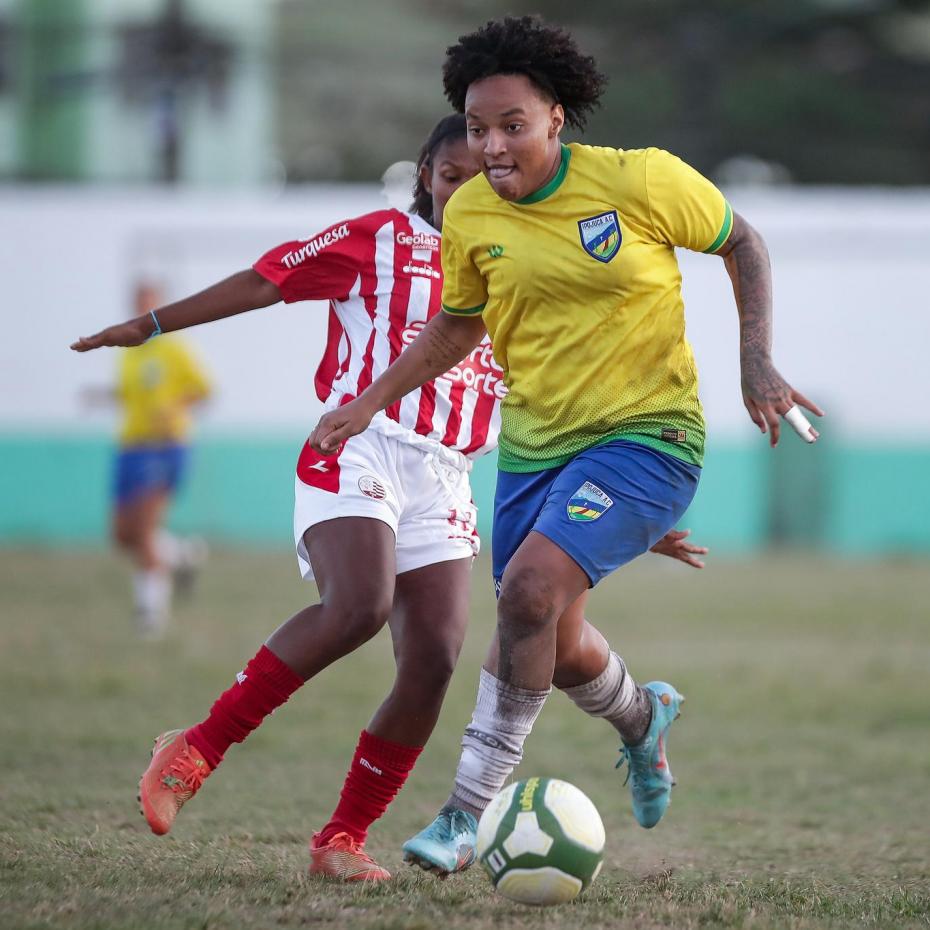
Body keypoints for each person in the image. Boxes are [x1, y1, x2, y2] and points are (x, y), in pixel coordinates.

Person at [72, 115, 707, 883]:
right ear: (425, 180)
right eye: (450, 177)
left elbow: (559, 397)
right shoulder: (380, 239)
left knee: (435, 656)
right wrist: (153, 324)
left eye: (485, 177)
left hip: (446, 474)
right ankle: (194, 749)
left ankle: (341, 841)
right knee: (358, 606)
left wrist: (633, 507)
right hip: (360, 443)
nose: (468, 190)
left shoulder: (523, 269)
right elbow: (267, 280)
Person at [309, 16, 824, 877]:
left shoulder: (641, 180)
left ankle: (465, 815)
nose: (494, 146)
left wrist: (757, 361)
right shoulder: (470, 210)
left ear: (555, 116)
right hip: (536, 448)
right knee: (553, 633)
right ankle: (641, 719)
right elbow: (458, 325)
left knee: (528, 597)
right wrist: (369, 402)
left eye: (512, 125)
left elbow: (742, 241)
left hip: (651, 434)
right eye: (478, 128)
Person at [84, 281, 211, 637]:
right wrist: (100, 396)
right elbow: (129, 394)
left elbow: (203, 390)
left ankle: (150, 614)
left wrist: (173, 409)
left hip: (165, 446)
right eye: (138, 303)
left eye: (149, 304)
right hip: (130, 446)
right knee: (121, 535)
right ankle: (182, 556)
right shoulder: (127, 349)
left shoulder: (175, 348)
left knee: (142, 530)